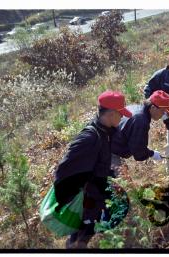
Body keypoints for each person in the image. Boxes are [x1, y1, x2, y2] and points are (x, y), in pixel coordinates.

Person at [53, 91, 132, 249]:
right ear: (110, 114)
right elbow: (63, 168)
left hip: (98, 187)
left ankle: (88, 239)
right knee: (81, 233)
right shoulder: (90, 136)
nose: (122, 117)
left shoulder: (105, 131)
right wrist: (74, 194)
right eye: (120, 114)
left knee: (120, 204)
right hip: (87, 194)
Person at [111, 90, 169, 170]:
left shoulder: (136, 108)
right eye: (162, 111)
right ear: (153, 107)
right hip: (108, 151)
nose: (163, 115)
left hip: (109, 145)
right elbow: (138, 152)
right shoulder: (141, 121)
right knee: (118, 180)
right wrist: (152, 154)